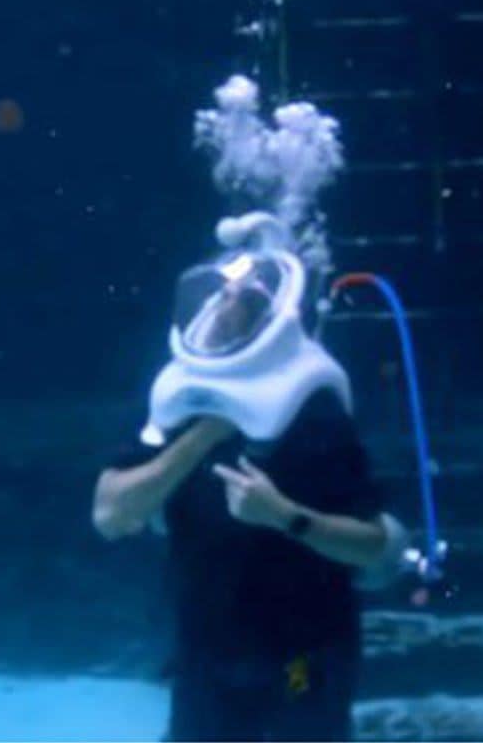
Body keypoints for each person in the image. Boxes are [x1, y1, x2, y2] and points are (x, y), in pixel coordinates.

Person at [92, 212, 405, 742]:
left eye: (243, 298)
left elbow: (374, 546)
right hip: (204, 656)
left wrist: (284, 516)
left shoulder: (314, 408)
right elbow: (110, 514)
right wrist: (200, 439)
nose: (224, 305)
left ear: (270, 313)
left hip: (302, 657)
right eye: (222, 294)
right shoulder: (174, 403)